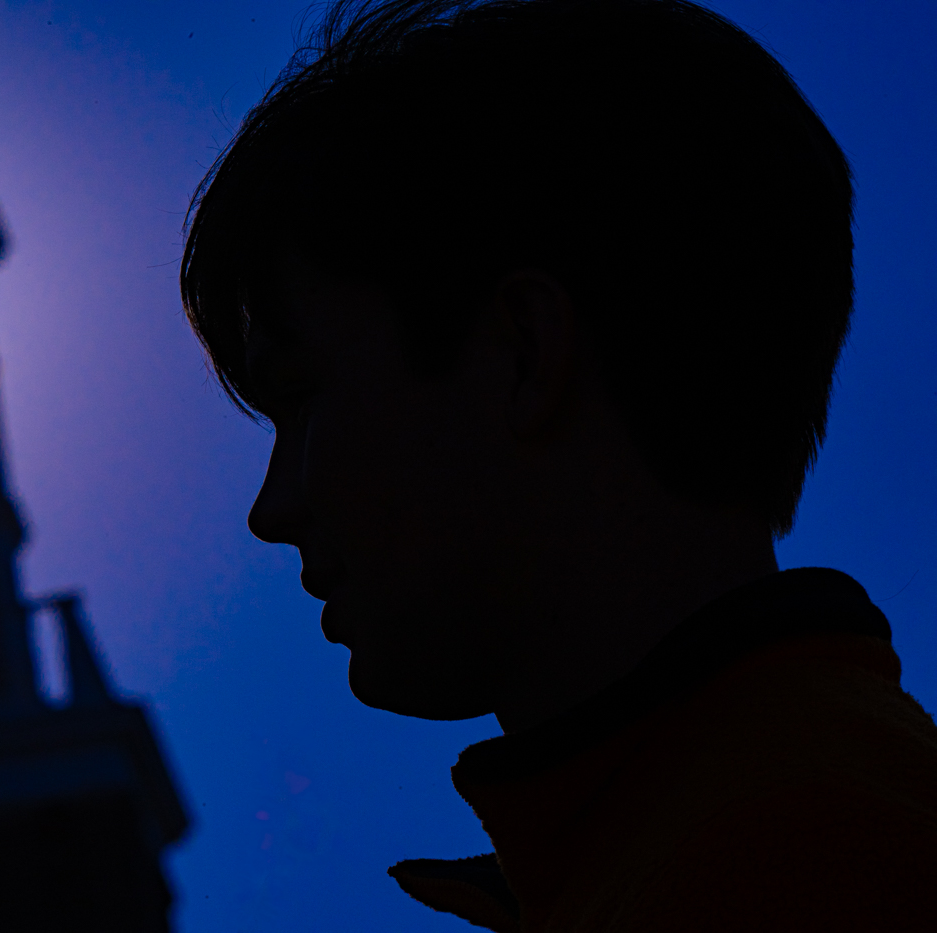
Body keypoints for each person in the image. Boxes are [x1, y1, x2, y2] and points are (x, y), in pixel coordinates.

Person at [179, 1, 937, 929]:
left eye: (300, 398)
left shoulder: (795, 869)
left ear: (524, 354)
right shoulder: (788, 821)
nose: (272, 507)